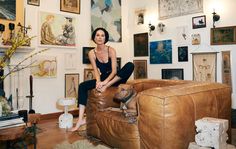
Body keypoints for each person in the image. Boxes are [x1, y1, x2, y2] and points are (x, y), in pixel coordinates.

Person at [69, 27, 134, 131]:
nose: (100, 37)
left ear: (105, 38)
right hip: (103, 77)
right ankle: (80, 119)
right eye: (97, 35)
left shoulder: (111, 50)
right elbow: (95, 70)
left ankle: (106, 86)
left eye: (102, 35)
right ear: (94, 37)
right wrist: (98, 82)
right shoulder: (91, 53)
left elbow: (114, 71)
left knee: (130, 65)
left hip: (116, 78)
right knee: (82, 86)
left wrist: (105, 84)